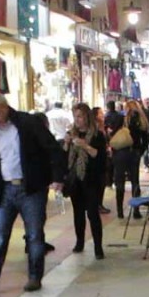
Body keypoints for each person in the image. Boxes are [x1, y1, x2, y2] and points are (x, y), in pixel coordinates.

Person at [0, 94, 66, 294]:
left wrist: (57, 177)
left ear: (6, 108)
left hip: (31, 189)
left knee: (34, 235)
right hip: (5, 189)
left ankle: (35, 277)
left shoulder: (27, 123)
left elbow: (53, 149)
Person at [64, 103, 107, 259]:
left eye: (80, 116)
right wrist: (66, 143)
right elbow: (65, 158)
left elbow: (100, 157)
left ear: (87, 117)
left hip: (92, 179)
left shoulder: (96, 135)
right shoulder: (71, 134)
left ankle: (98, 246)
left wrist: (85, 146)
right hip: (76, 180)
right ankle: (79, 242)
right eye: (75, 116)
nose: (78, 120)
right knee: (78, 213)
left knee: (93, 213)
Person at [111, 100, 149, 219]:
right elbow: (146, 139)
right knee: (135, 182)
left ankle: (120, 212)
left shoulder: (122, 119)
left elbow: (113, 134)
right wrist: (140, 151)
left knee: (120, 182)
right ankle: (136, 211)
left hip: (121, 153)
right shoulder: (142, 121)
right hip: (135, 153)